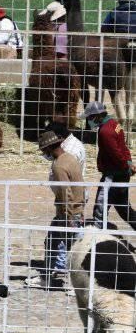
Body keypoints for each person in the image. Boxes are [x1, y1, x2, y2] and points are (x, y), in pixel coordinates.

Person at [26, 130, 84, 290]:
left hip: (67, 214)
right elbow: (80, 187)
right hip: (75, 211)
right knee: (55, 242)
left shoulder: (59, 165)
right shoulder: (71, 158)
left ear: (49, 148)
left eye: (44, 150)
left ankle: (76, 285)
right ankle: (48, 277)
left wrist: (68, 217)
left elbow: (66, 193)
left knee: (72, 249)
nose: (44, 154)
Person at [86, 101, 136, 227]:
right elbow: (123, 146)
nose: (89, 120)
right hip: (121, 173)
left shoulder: (105, 131)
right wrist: (129, 163)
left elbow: (116, 153)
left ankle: (97, 235)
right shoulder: (115, 124)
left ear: (98, 116)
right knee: (124, 209)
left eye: (90, 117)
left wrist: (126, 166)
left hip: (112, 175)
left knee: (100, 209)